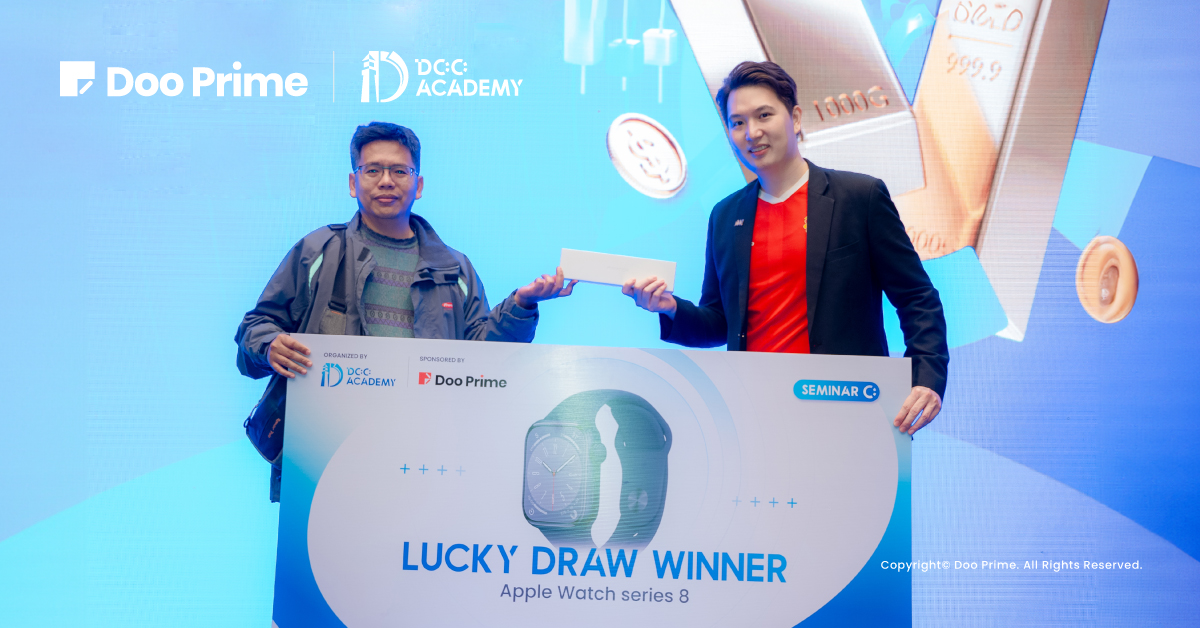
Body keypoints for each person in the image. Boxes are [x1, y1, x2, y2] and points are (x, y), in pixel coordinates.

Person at [235, 121, 575, 500]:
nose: (386, 181)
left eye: (400, 171)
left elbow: (483, 359)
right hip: (324, 459)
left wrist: (522, 305)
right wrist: (269, 345)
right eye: (373, 170)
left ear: (419, 184)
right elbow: (255, 328)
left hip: (426, 461)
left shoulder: (454, 269)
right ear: (353, 183)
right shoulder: (318, 252)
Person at [622, 61, 948, 435]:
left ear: (794, 118)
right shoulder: (726, 216)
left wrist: (926, 376)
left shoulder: (859, 197)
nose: (752, 132)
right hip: (755, 413)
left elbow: (916, 296)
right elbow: (721, 323)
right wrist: (670, 308)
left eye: (764, 115)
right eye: (737, 122)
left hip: (848, 409)